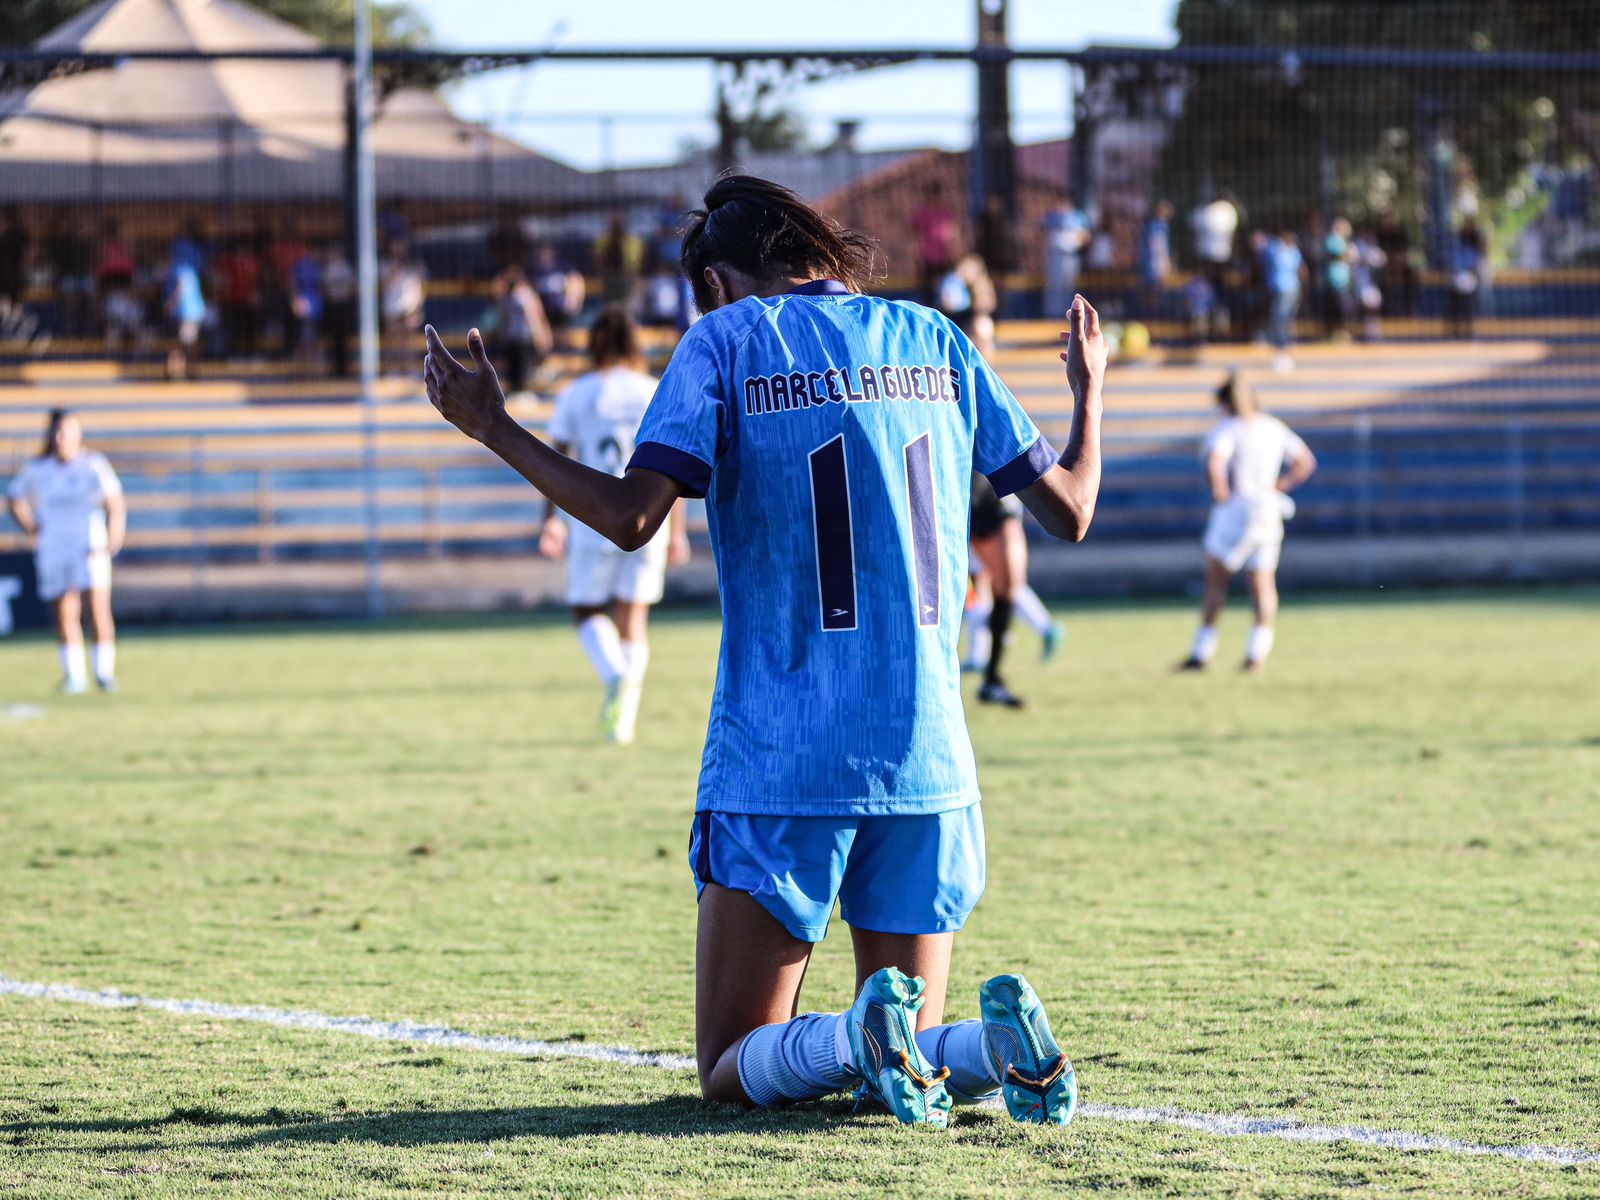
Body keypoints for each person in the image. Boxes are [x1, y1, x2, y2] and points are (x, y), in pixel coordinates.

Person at [423, 174, 1106, 1128]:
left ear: (719, 282)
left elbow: (632, 518)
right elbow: (1070, 510)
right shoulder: (935, 340)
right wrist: (1090, 393)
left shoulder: (727, 342)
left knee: (730, 1065)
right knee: (907, 1059)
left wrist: (495, 427)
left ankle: (852, 1039)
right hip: (928, 763)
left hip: (783, 755)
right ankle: (996, 1049)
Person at [538, 306, 690, 743]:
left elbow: (556, 462)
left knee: (586, 609)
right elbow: (672, 464)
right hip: (650, 519)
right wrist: (677, 530)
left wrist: (551, 520)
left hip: (593, 518)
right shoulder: (653, 390)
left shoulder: (578, 393)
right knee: (634, 615)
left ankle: (616, 678)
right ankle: (624, 718)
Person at [1180, 374, 1316, 675]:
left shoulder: (1229, 428)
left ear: (1226, 402)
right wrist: (1279, 486)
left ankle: (1201, 652)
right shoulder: (1273, 427)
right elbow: (1305, 461)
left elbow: (1216, 460)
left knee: (1216, 583)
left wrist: (1220, 490)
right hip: (1268, 510)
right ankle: (1257, 652)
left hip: (1237, 511)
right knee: (1263, 583)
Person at [6, 410, 126, 694]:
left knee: (97, 609)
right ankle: (75, 676)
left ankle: (103, 673)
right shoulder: (39, 468)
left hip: (89, 548)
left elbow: (115, 502)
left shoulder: (92, 465)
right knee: (63, 612)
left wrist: (114, 537)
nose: (62, 438)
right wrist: (32, 528)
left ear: (78, 434)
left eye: (68, 431)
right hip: (54, 550)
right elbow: (14, 498)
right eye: (58, 431)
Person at [964, 474, 1063, 706]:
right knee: (990, 589)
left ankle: (990, 675)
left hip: (988, 489)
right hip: (963, 483)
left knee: (1005, 586)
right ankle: (985, 669)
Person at [490, 266, 553, 395]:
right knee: (513, 373)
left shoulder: (525, 294)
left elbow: (534, 316)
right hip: (512, 338)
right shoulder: (507, 295)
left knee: (523, 373)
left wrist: (540, 336)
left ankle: (521, 395)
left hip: (525, 337)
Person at [1190, 194, 1238, 340]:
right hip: (1209, 258)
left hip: (1220, 260)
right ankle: (1203, 326)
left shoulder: (1224, 212)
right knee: (1203, 294)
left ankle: (1218, 325)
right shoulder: (1202, 213)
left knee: (1218, 296)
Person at [910, 181, 961, 307]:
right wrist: (916, 255)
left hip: (944, 257)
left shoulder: (945, 212)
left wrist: (954, 252)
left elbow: (952, 234)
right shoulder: (922, 213)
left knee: (947, 292)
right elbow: (915, 235)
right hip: (928, 257)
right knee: (929, 292)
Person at [1041, 195, 1091, 319]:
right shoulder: (1053, 216)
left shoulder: (1078, 217)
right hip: (1055, 255)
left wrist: (1075, 241)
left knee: (1068, 287)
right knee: (1054, 287)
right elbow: (1042, 230)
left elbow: (1086, 237)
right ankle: (1052, 315)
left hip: (1070, 256)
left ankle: (1068, 314)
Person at [1262, 227, 1304, 374]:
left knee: (1281, 318)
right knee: (1281, 318)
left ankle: (1283, 346)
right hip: (1283, 289)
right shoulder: (1278, 249)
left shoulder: (1286, 251)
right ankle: (1284, 344)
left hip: (1289, 289)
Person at [1139, 201, 1174, 320]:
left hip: (1152, 264)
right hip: (1154, 264)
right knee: (1153, 293)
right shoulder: (1157, 226)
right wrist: (1164, 263)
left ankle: (1152, 317)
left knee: (1153, 293)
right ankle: (1152, 318)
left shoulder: (1153, 225)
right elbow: (1157, 247)